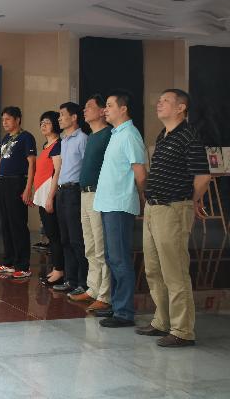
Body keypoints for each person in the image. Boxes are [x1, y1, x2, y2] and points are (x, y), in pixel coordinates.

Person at [136, 89, 210, 347]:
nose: (159, 103)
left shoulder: (189, 136)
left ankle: (182, 330)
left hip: (172, 209)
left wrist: (189, 201)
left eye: (165, 100)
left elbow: (203, 176)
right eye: (159, 100)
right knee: (154, 269)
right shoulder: (163, 135)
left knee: (174, 271)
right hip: (154, 209)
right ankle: (162, 321)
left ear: (181, 108)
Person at [93, 90, 147, 328]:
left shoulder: (130, 135)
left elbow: (140, 172)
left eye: (109, 105)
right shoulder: (116, 134)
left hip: (119, 204)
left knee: (119, 258)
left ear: (123, 109)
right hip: (108, 203)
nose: (105, 110)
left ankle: (124, 312)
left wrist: (144, 197)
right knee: (111, 258)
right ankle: (116, 305)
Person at [71, 95, 113, 313]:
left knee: (100, 245)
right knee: (90, 245)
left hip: (99, 194)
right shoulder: (92, 136)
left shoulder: (108, 134)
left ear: (102, 111)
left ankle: (105, 294)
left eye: (89, 107)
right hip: (84, 194)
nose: (84, 110)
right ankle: (93, 288)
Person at [0, 106, 36, 278]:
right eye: (3, 120)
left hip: (17, 181)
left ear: (18, 119)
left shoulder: (26, 137)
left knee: (18, 223)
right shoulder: (6, 138)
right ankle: (8, 262)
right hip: (3, 182)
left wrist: (28, 188)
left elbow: (32, 163)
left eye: (8, 119)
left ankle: (23, 265)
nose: (5, 123)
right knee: (6, 223)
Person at [53, 102, 88, 296]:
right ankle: (70, 280)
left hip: (74, 191)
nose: (59, 118)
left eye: (62, 114)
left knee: (76, 239)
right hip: (62, 191)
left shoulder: (82, 139)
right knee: (65, 238)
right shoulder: (64, 140)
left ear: (74, 117)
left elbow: (87, 167)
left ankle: (83, 283)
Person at [30, 111, 64, 286]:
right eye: (41, 122)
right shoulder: (45, 145)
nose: (43, 125)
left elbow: (57, 172)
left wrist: (50, 197)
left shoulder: (58, 145)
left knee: (55, 234)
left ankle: (60, 270)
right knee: (50, 234)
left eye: (47, 122)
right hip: (42, 195)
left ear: (56, 125)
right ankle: (56, 268)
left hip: (51, 195)